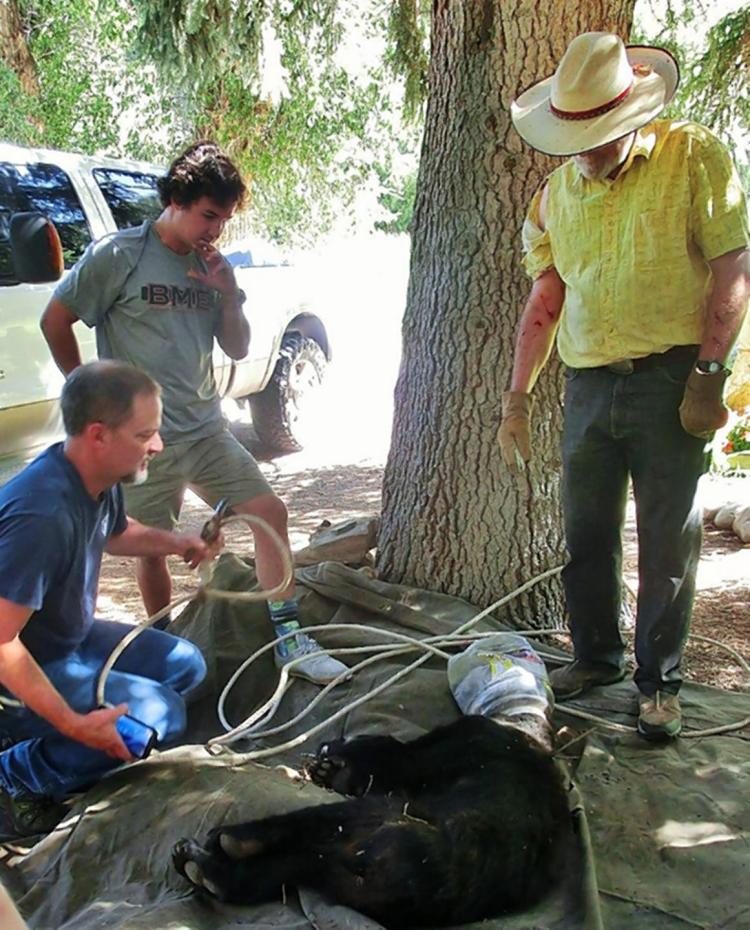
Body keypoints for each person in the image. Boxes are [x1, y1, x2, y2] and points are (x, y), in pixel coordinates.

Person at [498, 32, 750, 740]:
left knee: (668, 541)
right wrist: (518, 396)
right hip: (586, 384)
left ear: (631, 113)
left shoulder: (693, 157)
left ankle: (659, 685)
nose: (588, 147)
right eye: (574, 134)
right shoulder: (555, 195)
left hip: (671, 377)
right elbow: (545, 299)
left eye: (600, 131)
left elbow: (733, 271)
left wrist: (708, 375)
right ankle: (596, 657)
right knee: (585, 531)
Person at [40, 140, 346, 685]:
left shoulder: (212, 266)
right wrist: (87, 394)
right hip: (143, 441)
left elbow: (236, 346)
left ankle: (287, 637)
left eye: (224, 220)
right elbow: (55, 319)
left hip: (207, 430)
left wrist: (228, 295)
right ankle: (167, 647)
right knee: (151, 547)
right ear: (177, 200)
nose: (215, 230)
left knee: (268, 514)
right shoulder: (120, 255)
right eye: (209, 215)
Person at [0, 361, 214, 838]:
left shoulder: (92, 477)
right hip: (19, 664)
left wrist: (177, 543)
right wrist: (76, 724)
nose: (157, 447)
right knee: (163, 716)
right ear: (98, 435)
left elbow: (115, 534)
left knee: (187, 665)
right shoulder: (41, 516)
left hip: (64, 641)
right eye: (145, 436)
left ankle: (74, 740)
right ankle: (15, 773)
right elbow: (1, 642)